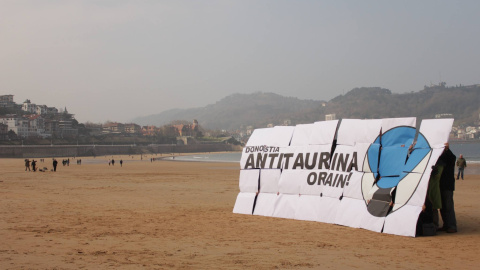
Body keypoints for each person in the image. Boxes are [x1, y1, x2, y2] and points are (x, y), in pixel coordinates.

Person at [438, 143, 457, 233]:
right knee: (442, 206)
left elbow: (452, 158)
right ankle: (446, 225)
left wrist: (447, 150)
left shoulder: (449, 157)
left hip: (447, 185)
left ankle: (451, 226)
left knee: (448, 206)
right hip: (440, 185)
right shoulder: (440, 159)